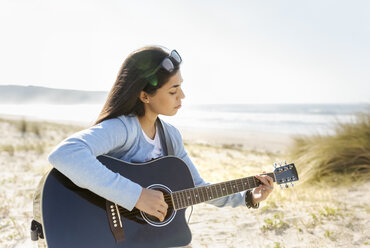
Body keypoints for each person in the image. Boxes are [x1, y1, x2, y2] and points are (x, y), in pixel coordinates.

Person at [48, 45, 274, 224]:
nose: (182, 96)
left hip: (143, 233)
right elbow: (65, 153)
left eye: (181, 86)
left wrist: (247, 197)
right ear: (145, 96)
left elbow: (195, 187)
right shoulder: (123, 129)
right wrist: (136, 196)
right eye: (173, 90)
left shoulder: (171, 136)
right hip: (108, 229)